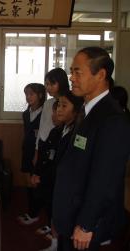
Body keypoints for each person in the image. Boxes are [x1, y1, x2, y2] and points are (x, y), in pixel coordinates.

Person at [53, 47, 130, 251]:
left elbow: (106, 178)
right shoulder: (88, 110)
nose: (71, 78)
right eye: (71, 71)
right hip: (71, 212)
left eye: (78, 72)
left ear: (101, 75)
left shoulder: (112, 119)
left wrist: (87, 224)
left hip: (85, 221)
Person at [18, 68, 69, 225]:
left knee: (49, 187)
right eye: (46, 84)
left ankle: (51, 224)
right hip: (41, 147)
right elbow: (43, 129)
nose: (48, 87)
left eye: (51, 84)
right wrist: (37, 150)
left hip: (57, 150)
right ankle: (36, 214)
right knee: (35, 182)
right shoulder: (48, 104)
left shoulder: (69, 100)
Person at [38, 91, 83, 251]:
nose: (59, 109)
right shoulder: (59, 130)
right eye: (58, 105)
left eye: (64, 106)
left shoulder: (78, 134)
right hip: (54, 182)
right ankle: (55, 245)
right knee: (55, 217)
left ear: (77, 110)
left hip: (68, 189)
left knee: (66, 225)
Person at [21, 83, 46, 173]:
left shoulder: (45, 112)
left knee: (37, 177)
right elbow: (26, 132)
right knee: (27, 176)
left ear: (40, 95)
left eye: (31, 94)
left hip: (40, 150)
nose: (28, 97)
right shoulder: (26, 114)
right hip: (27, 148)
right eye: (26, 94)